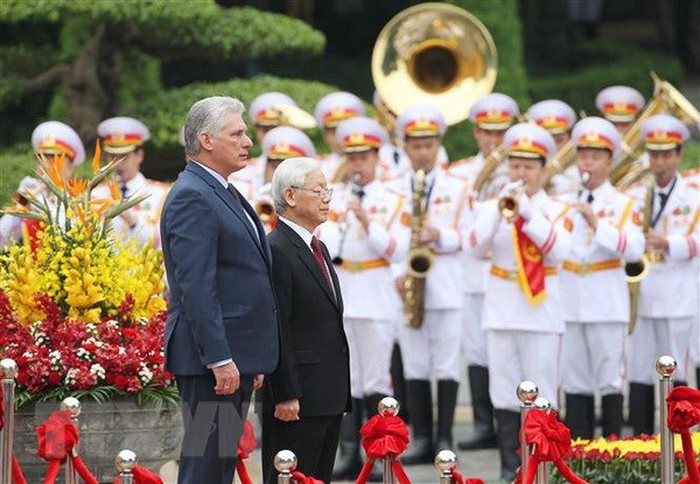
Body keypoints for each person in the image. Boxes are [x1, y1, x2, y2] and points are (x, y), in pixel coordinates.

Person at [160, 96, 279, 484]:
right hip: (210, 361)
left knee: (219, 467)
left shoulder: (220, 188)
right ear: (207, 140)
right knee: (204, 469)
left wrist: (246, 356)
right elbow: (196, 286)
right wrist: (219, 357)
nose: (248, 141)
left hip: (229, 357)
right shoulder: (193, 194)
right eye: (238, 133)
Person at [466, 123, 573, 480]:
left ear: (544, 170)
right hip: (501, 310)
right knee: (503, 392)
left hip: (540, 311)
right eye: (515, 166)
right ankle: (509, 469)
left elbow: (558, 253)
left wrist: (527, 214)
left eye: (528, 167)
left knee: (542, 391)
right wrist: (499, 212)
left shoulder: (554, 208)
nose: (520, 174)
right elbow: (474, 247)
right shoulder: (491, 206)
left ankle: (542, 469)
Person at [316, 116, 408, 480]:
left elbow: (395, 249)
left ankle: (381, 453)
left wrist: (368, 222)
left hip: (378, 291)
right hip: (346, 292)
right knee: (348, 378)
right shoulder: (334, 196)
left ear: (376, 157)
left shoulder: (392, 198)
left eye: (364, 157)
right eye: (351, 157)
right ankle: (350, 452)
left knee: (377, 378)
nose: (356, 164)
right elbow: (328, 248)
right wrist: (339, 222)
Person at [385, 105, 469, 464]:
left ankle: (445, 436)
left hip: (446, 283)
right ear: (404, 146)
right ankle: (420, 437)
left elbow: (470, 236)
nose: (423, 152)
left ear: (438, 145)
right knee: (415, 364)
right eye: (416, 146)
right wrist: (396, 274)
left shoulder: (460, 186)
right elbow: (386, 239)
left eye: (429, 145)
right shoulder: (389, 189)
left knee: (446, 363)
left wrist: (442, 235)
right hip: (407, 286)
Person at [261, 157, 350, 484]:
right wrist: (285, 392)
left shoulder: (318, 246)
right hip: (297, 396)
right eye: (319, 190)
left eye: (328, 189)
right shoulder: (278, 249)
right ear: (292, 196)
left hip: (325, 392)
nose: (327, 197)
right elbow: (277, 326)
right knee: (289, 476)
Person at [558, 117, 644, 439]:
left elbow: (635, 248)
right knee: (575, 380)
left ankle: (611, 453)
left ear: (609, 161)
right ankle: (578, 455)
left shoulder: (623, 204)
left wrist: (597, 224)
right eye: (582, 156)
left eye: (595, 156)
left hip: (606, 301)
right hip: (570, 300)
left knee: (610, 379)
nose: (588, 163)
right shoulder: (564, 202)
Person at [447, 92, 519, 452]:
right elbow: (454, 222)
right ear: (476, 132)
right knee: (476, 351)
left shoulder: (520, 172)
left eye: (501, 132)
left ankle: (516, 427)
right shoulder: (461, 173)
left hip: (513, 273)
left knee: (510, 353)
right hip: (474, 272)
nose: (494, 141)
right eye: (487, 132)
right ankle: (482, 423)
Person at [625, 113, 700, 435]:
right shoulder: (633, 195)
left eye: (666, 155)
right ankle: (642, 439)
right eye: (654, 155)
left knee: (676, 368)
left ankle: (680, 439)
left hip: (678, 292)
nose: (659, 163)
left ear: (679, 154)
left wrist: (669, 243)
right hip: (642, 293)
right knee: (639, 368)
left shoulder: (694, 194)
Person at [1, 120, 85, 249]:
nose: (46, 165)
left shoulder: (81, 199)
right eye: (42, 158)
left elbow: (71, 238)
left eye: (55, 158)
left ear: (70, 166)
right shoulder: (33, 193)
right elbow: (2, 240)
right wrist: (18, 208)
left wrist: (40, 204)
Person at [95, 116, 170, 247]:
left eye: (124, 156)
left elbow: (163, 244)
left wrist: (132, 221)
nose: (118, 164)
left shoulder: (160, 194)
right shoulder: (96, 195)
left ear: (139, 155)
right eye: (113, 157)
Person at [232, 125, 316, 233]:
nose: (279, 174)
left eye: (287, 168)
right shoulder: (246, 192)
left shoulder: (315, 202)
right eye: (275, 166)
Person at [526, 99, 578, 195]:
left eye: (559, 140)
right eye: (546, 141)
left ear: (569, 140)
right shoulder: (521, 169)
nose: (553, 148)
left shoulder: (579, 173)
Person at [314, 91, 365, 181]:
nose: (342, 138)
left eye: (347, 131)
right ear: (326, 136)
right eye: (335, 132)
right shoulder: (316, 168)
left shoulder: (377, 165)